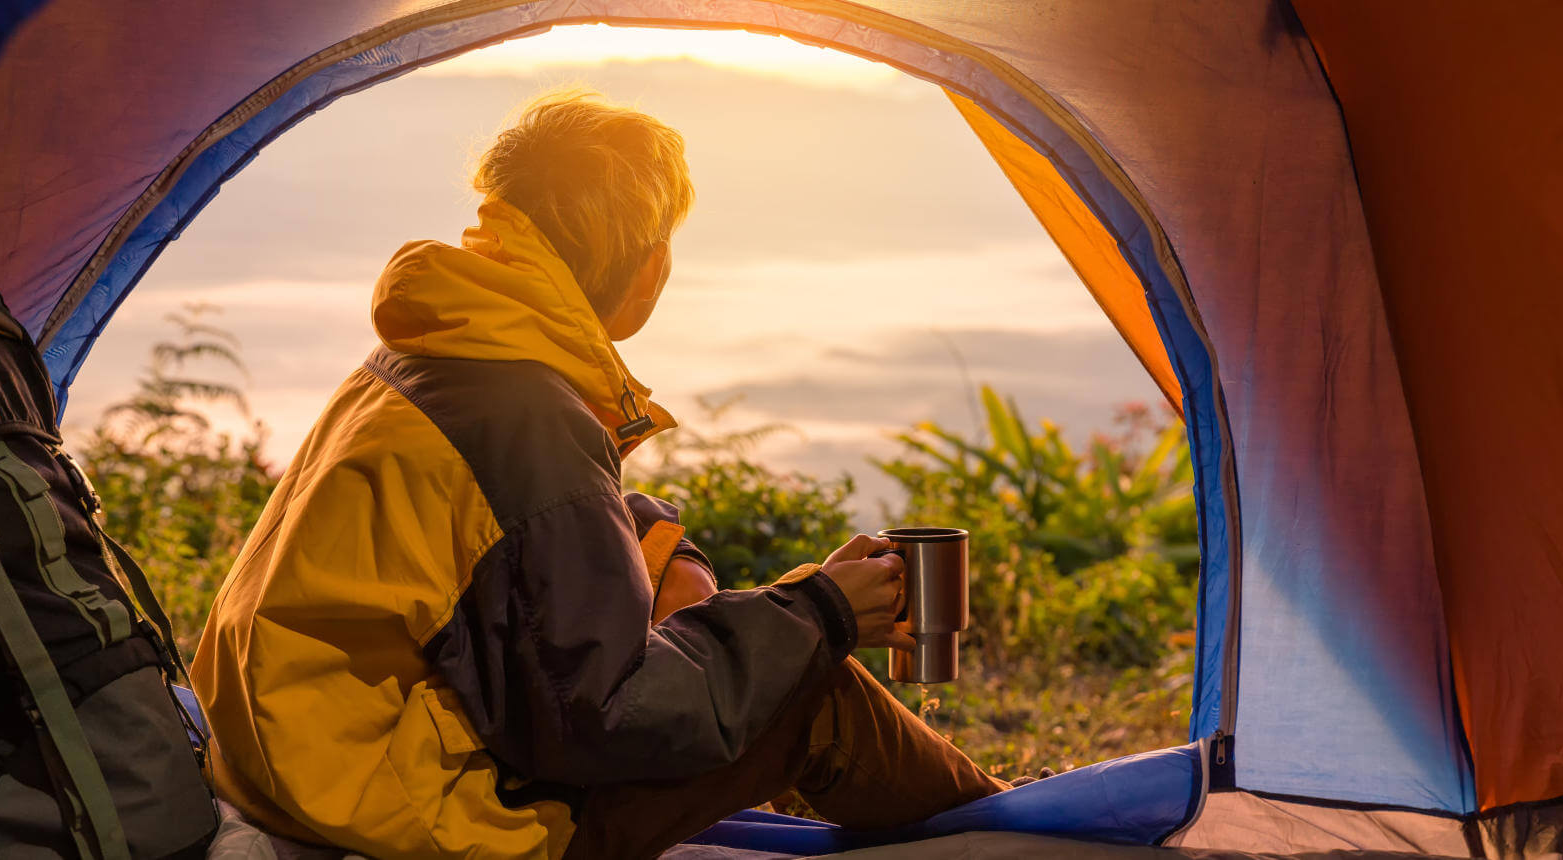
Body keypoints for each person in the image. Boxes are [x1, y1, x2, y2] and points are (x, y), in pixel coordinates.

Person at [190, 90, 1006, 860]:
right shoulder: (529, 416)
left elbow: (501, 559)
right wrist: (821, 609)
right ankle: (1014, 827)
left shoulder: (432, 347)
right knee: (817, 704)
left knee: (658, 543)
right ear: (649, 267)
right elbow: (601, 719)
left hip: (294, 756)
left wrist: (659, 548)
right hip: (395, 810)